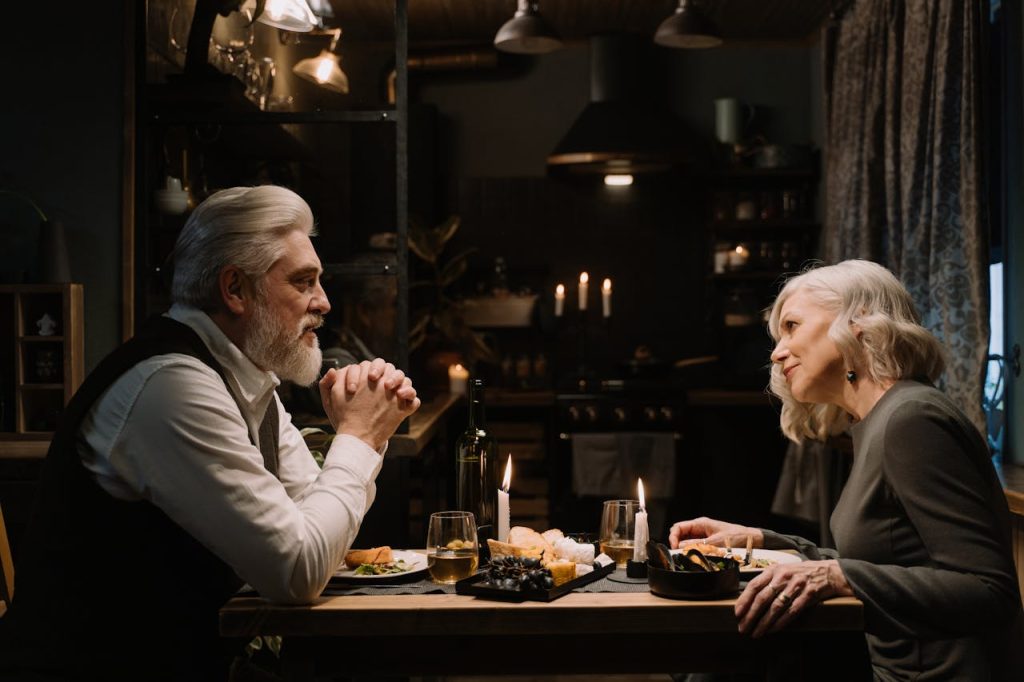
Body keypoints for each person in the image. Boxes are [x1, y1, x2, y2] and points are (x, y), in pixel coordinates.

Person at [0, 185, 421, 681]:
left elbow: (320, 533)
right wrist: (359, 437)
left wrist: (361, 432)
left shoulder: (247, 379)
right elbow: (299, 571)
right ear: (235, 290)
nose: (324, 302)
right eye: (304, 282)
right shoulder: (172, 389)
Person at [669, 260, 1024, 680]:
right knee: (707, 659)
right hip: (889, 666)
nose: (777, 351)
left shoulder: (910, 419)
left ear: (856, 324)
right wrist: (763, 540)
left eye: (792, 326)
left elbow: (990, 592)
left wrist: (837, 574)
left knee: (709, 662)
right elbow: (881, 563)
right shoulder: (879, 419)